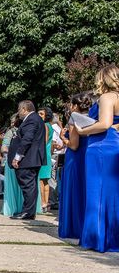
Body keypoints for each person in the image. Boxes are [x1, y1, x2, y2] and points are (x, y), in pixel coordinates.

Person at [75, 65, 119, 252]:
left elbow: (105, 123)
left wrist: (83, 130)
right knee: (112, 193)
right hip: (114, 145)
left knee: (96, 193)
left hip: (100, 146)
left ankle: (97, 238)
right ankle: (112, 237)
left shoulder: (107, 97)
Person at [58, 92, 92, 239]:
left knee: (72, 188)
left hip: (74, 158)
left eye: (71, 105)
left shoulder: (74, 118)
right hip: (86, 156)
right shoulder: (93, 117)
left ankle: (73, 227)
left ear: (76, 106)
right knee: (83, 189)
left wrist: (62, 139)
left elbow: (73, 145)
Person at [9, 100, 46, 220]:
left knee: (27, 185)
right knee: (30, 185)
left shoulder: (31, 120)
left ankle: (28, 212)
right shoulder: (35, 119)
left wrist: (17, 157)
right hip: (32, 158)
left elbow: (27, 139)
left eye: (19, 110)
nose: (18, 113)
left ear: (24, 109)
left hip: (28, 158)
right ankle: (29, 211)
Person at [37, 107, 54, 212]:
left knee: (41, 181)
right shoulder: (50, 126)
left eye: (41, 114)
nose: (39, 115)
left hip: (42, 155)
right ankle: (46, 203)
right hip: (47, 154)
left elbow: (44, 141)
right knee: (45, 180)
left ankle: (43, 203)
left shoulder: (44, 125)